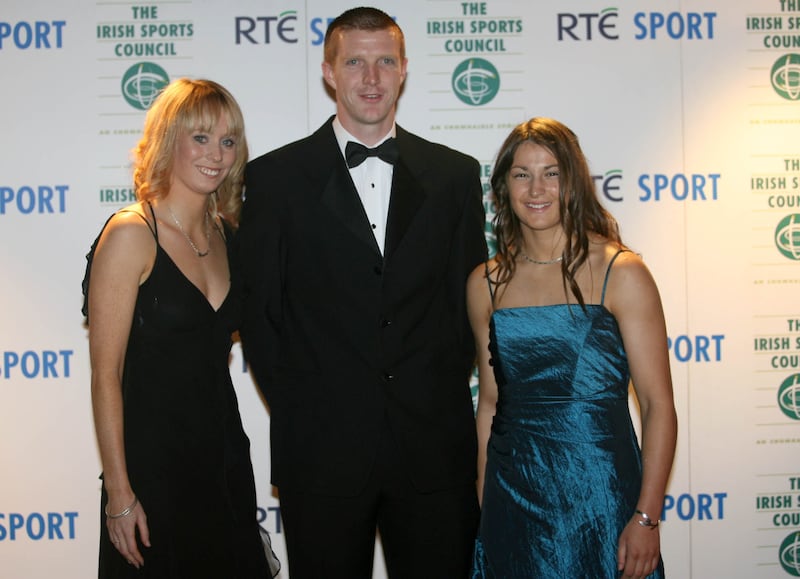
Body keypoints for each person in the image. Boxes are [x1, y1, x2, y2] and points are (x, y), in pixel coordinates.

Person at [236, 6, 487, 579]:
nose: (370, 78)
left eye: (384, 63)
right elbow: (262, 316)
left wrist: (431, 395)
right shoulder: (274, 180)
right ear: (328, 71)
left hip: (433, 452)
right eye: (355, 62)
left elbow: (467, 309)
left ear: (404, 71)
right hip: (320, 453)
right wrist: (312, 405)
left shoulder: (454, 176)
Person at [468, 117, 678, 579]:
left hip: (600, 497)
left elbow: (659, 407)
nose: (536, 187)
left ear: (574, 182)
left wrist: (646, 517)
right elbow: (488, 405)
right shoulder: (486, 282)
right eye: (522, 173)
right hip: (512, 497)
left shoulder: (621, 272)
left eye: (552, 172)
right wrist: (487, 503)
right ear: (504, 186)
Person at [82, 78, 270, 577]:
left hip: (224, 459)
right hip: (151, 468)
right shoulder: (131, 234)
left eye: (228, 141)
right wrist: (120, 494)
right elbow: (106, 374)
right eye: (201, 137)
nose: (217, 154)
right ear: (170, 139)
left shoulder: (227, 235)